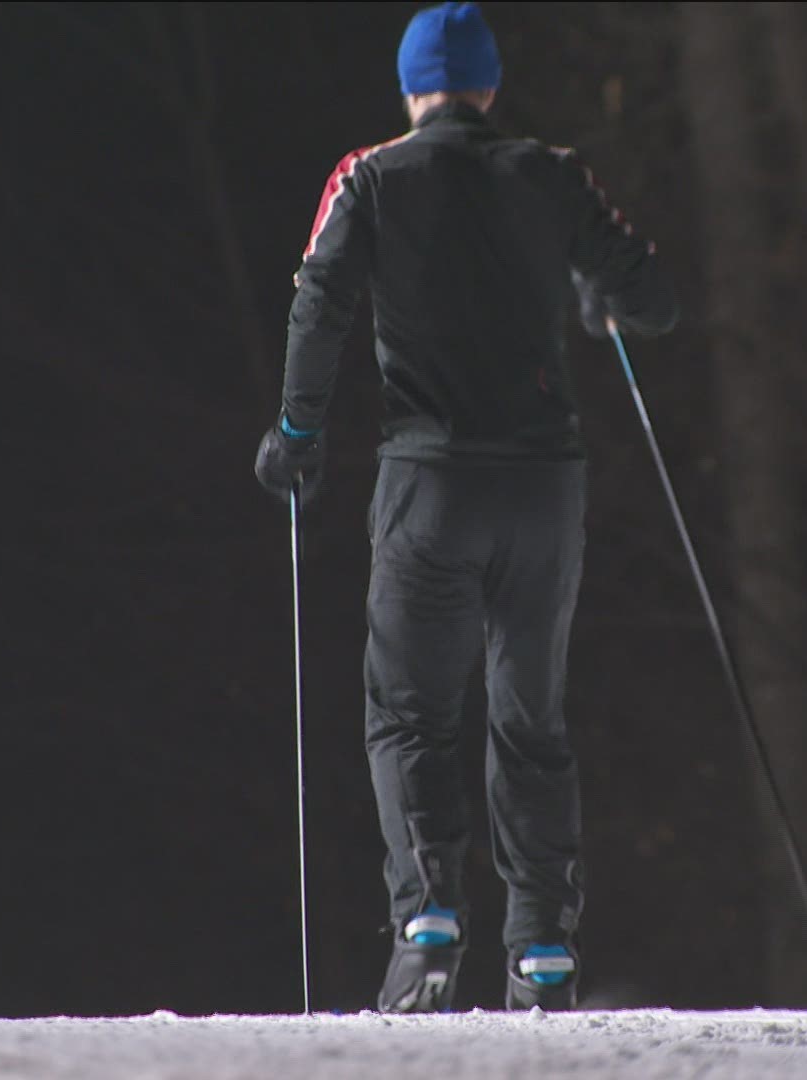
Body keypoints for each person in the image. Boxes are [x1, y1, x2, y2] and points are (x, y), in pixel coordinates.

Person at [253, 2, 677, 1012]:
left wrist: (298, 437)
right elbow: (651, 297)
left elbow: (320, 299)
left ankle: (429, 918)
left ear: (412, 90)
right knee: (529, 717)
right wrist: (595, 294)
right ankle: (542, 950)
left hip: (430, 483)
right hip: (542, 490)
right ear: (488, 87)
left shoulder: (371, 175)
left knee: (408, 711)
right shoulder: (552, 170)